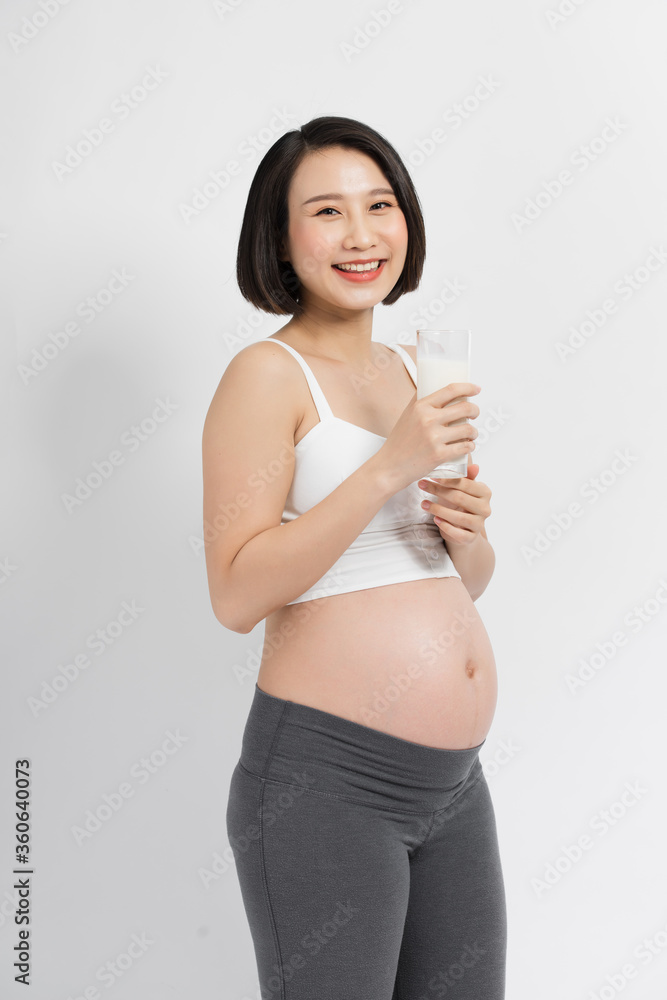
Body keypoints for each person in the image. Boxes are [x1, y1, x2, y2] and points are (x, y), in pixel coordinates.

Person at [202, 115, 507, 999]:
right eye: (327, 212)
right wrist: (388, 468)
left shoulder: (418, 371)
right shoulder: (264, 375)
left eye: (380, 205)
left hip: (455, 788)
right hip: (326, 785)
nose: (361, 233)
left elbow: (458, 586)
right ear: (281, 237)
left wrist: (467, 534)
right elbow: (233, 591)